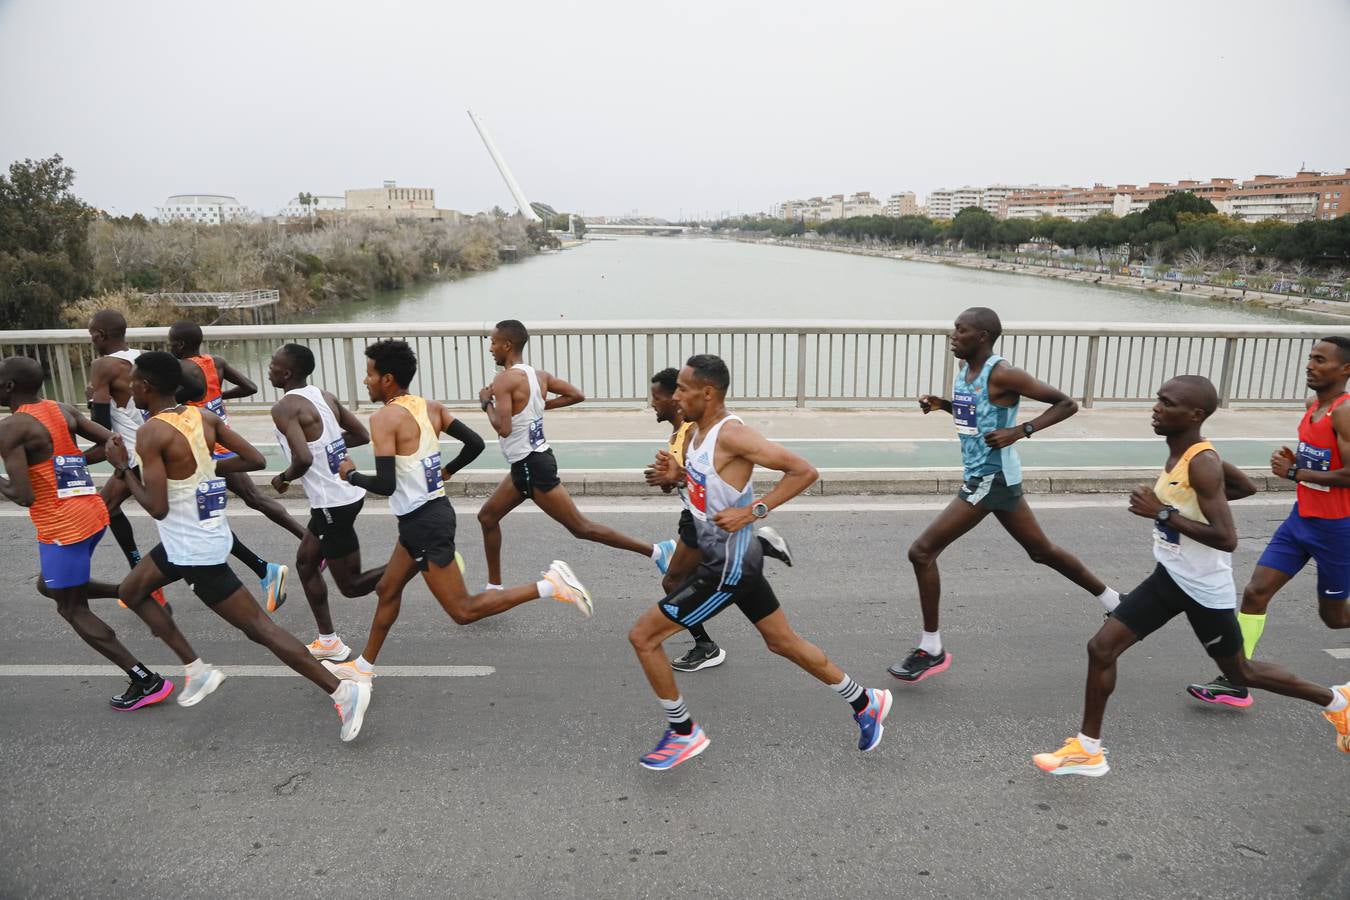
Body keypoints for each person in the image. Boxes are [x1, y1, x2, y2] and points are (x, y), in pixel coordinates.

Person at [1033, 376, 1349, 776]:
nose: (1156, 408)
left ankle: (1337, 702)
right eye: (1158, 400)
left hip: (1203, 589)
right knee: (1101, 648)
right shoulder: (1188, 455)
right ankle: (1087, 749)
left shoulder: (1202, 462)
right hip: (1169, 577)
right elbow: (1246, 487)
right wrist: (1188, 503)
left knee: (1241, 672)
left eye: (1167, 403)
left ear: (1194, 414)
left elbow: (1227, 538)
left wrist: (1163, 512)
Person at [628, 354, 892, 771]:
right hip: (736, 557)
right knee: (782, 642)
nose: (675, 396)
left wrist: (754, 513)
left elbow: (803, 471)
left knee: (643, 637)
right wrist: (677, 476)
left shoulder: (733, 435)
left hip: (727, 566)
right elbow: (710, 485)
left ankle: (683, 733)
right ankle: (864, 700)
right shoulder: (696, 432)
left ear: (708, 392)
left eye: (682, 388)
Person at [107, 350, 371, 740]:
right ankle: (196, 669)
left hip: (193, 549)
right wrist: (207, 467)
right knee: (133, 589)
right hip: (195, 538)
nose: (128, 389)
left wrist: (125, 469)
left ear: (145, 387)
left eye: (132, 383)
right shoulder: (203, 417)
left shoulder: (151, 433)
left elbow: (158, 508)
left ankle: (342, 690)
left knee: (260, 629)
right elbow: (253, 459)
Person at [324, 340, 594, 689]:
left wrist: (349, 474)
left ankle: (550, 585)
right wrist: (446, 471)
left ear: (388, 379)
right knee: (388, 589)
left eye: (370, 374)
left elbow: (387, 485)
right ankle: (362, 666)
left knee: (463, 611)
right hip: (427, 513)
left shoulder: (383, 419)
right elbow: (475, 444)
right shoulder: (432, 407)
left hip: (423, 522)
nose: (366, 381)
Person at [890, 307, 1121, 683]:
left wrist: (1021, 430)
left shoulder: (1003, 373)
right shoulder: (967, 372)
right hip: (993, 477)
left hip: (989, 478)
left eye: (960, 330)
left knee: (921, 551)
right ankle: (1113, 600)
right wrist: (943, 405)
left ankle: (931, 648)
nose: (953, 336)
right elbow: (978, 415)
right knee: (1041, 551)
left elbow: (1066, 404)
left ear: (982, 336)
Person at [0, 356, 219, 710]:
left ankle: (144, 679)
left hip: (62, 527)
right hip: (92, 512)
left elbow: (23, 495)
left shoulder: (12, 428)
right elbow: (114, 440)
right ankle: (131, 591)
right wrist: (66, 461)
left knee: (71, 608)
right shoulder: (61, 409)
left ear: (8, 387)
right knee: (49, 585)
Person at [1187, 336, 1350, 707]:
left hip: (1338, 529)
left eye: (1321, 360)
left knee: (1335, 618)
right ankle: (1235, 678)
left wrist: (1296, 473)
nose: (1310, 365)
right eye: (1310, 357)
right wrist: (1303, 463)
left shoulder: (1344, 412)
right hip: (1300, 522)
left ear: (1345, 370)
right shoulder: (1313, 406)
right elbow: (1328, 460)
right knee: (1255, 593)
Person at [475, 319, 672, 591]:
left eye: (494, 342)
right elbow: (576, 395)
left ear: (507, 345)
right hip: (528, 463)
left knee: (581, 527)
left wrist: (486, 402)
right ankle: (494, 587)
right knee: (487, 517)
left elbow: (503, 428)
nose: (491, 349)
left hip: (532, 466)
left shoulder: (503, 380)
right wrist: (541, 407)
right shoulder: (538, 375)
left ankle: (657, 551)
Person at [644, 367, 794, 672]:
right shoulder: (679, 434)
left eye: (658, 397)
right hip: (698, 518)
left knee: (673, 581)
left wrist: (751, 511)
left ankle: (705, 645)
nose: (654, 403)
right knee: (777, 636)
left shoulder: (695, 432)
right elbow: (689, 480)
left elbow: (709, 478)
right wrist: (671, 478)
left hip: (706, 522)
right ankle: (758, 545)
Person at [268, 343, 386, 662]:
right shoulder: (324, 395)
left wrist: (284, 478)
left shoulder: (285, 408)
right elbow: (360, 434)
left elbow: (303, 458)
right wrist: (327, 448)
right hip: (345, 494)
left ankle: (419, 561)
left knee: (350, 585)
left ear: (287, 372)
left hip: (331, 504)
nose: (268, 368)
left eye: (273, 364)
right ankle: (328, 640)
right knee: (306, 563)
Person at [169, 320, 294, 610]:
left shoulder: (183, 371)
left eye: (171, 343)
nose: (169, 347)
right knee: (224, 511)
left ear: (179, 346)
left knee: (214, 515)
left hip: (207, 450)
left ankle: (281, 560)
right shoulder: (217, 362)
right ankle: (269, 566)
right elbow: (249, 387)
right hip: (222, 439)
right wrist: (219, 396)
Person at [85, 310, 168, 609]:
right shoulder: (143, 357)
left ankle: (143, 581)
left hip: (134, 454)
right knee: (109, 508)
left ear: (100, 336)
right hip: (156, 446)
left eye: (91, 333)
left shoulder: (102, 365)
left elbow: (100, 427)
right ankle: (140, 576)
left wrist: (75, 460)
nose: (91, 338)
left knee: (102, 508)